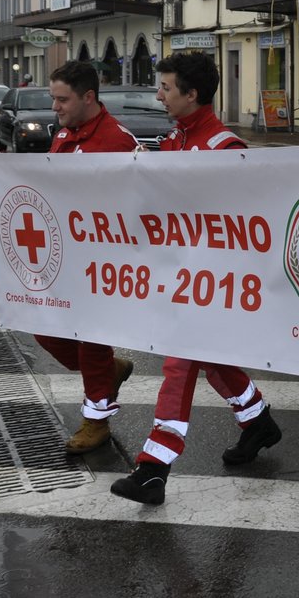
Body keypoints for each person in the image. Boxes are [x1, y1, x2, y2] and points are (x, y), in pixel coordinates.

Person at [110, 52, 282, 506]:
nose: (159, 96)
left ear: (193, 94)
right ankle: (257, 419)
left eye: (166, 88)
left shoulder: (227, 149)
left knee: (180, 362)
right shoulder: (175, 141)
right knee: (204, 357)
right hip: (179, 276)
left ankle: (153, 467)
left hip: (213, 284)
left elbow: (243, 223)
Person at [38, 60, 140, 453]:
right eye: (53, 99)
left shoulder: (117, 141)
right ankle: (110, 371)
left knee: (91, 340)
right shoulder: (66, 133)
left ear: (89, 97)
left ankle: (96, 421)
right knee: (46, 329)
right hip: (65, 258)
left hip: (102, 262)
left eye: (62, 99)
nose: (55, 107)